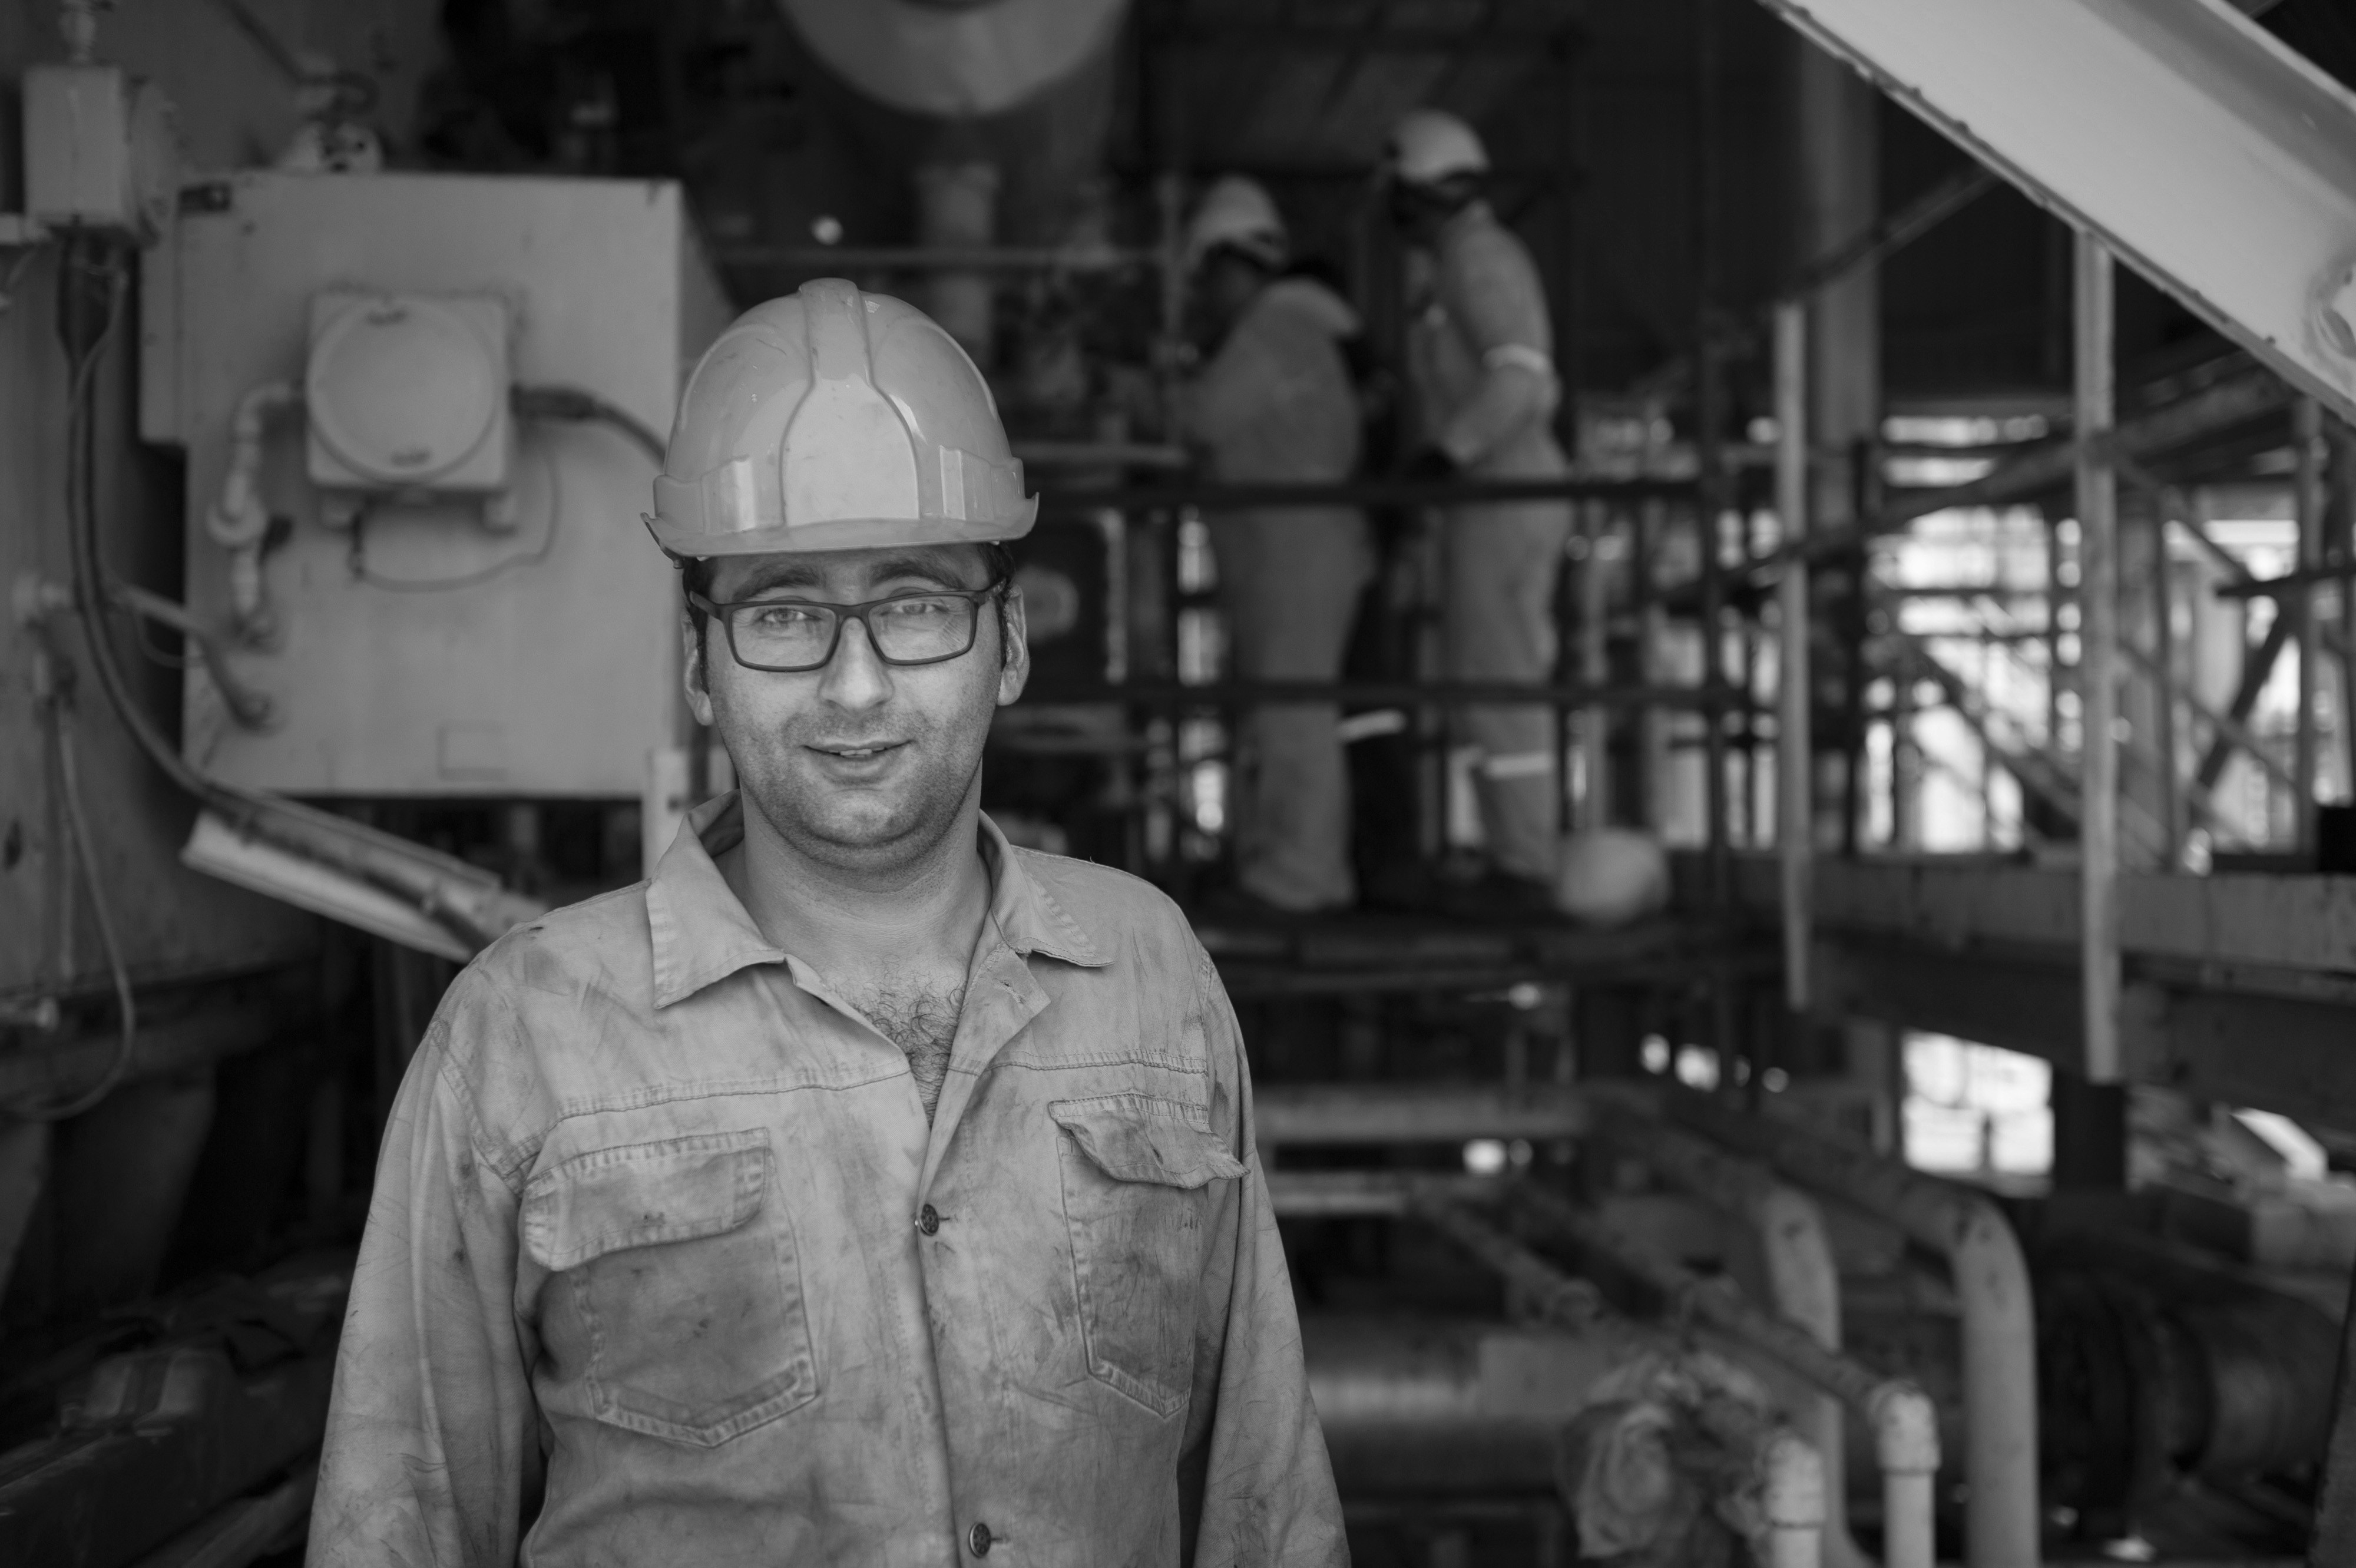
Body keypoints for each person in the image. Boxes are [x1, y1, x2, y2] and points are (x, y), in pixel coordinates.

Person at [307, 278, 1345, 1567]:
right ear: (700, 664)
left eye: (915, 604)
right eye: (785, 613)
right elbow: (396, 1523)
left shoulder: (1151, 974)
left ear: (1011, 639)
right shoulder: (523, 1036)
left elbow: (1264, 1501)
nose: (855, 685)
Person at [1387, 108, 1574, 914]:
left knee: (1500, 678)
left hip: (1505, 488)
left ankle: (1525, 865)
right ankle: (1509, 854)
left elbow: (1520, 375)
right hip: (1486, 495)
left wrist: (1446, 452)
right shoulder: (1457, 261)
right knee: (1480, 679)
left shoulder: (1480, 257)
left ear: (1420, 192)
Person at [1179, 176, 1374, 913]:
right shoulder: (1296, 322)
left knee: (1294, 707)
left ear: (1229, 262)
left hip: (1298, 540)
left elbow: (1203, 416)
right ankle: (1287, 864)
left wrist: (1140, 390)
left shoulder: (1275, 325)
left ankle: (1302, 876)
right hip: (1293, 539)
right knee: (1285, 705)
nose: (1206, 298)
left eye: (1206, 278)